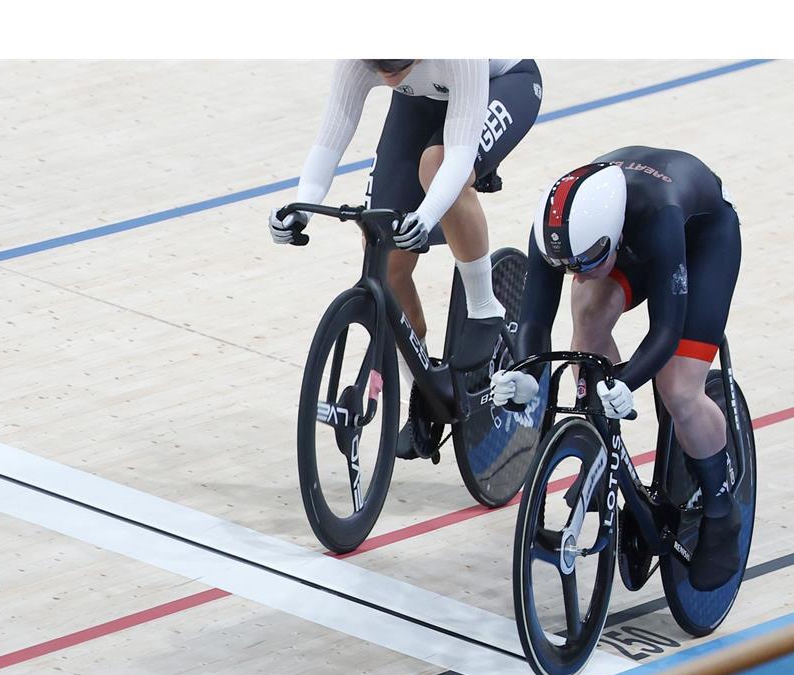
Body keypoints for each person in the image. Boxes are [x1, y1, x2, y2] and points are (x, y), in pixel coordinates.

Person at [490, 147, 742, 591]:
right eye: (570, 266)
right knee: (586, 317)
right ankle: (603, 445)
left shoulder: (659, 215)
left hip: (700, 244)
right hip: (624, 242)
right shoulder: (553, 225)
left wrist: (626, 381)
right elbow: (535, 320)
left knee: (679, 389)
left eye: (588, 262)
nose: (580, 275)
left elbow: (666, 330)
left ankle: (722, 514)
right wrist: (528, 374)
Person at [270, 59, 543, 458]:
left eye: (396, 63)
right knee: (385, 257)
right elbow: (332, 136)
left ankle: (485, 308)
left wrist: (428, 215)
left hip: (500, 82)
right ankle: (423, 395)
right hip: (423, 97)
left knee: (437, 167)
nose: (386, 71)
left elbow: (459, 155)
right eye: (378, 65)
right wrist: (302, 207)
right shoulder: (365, 57)